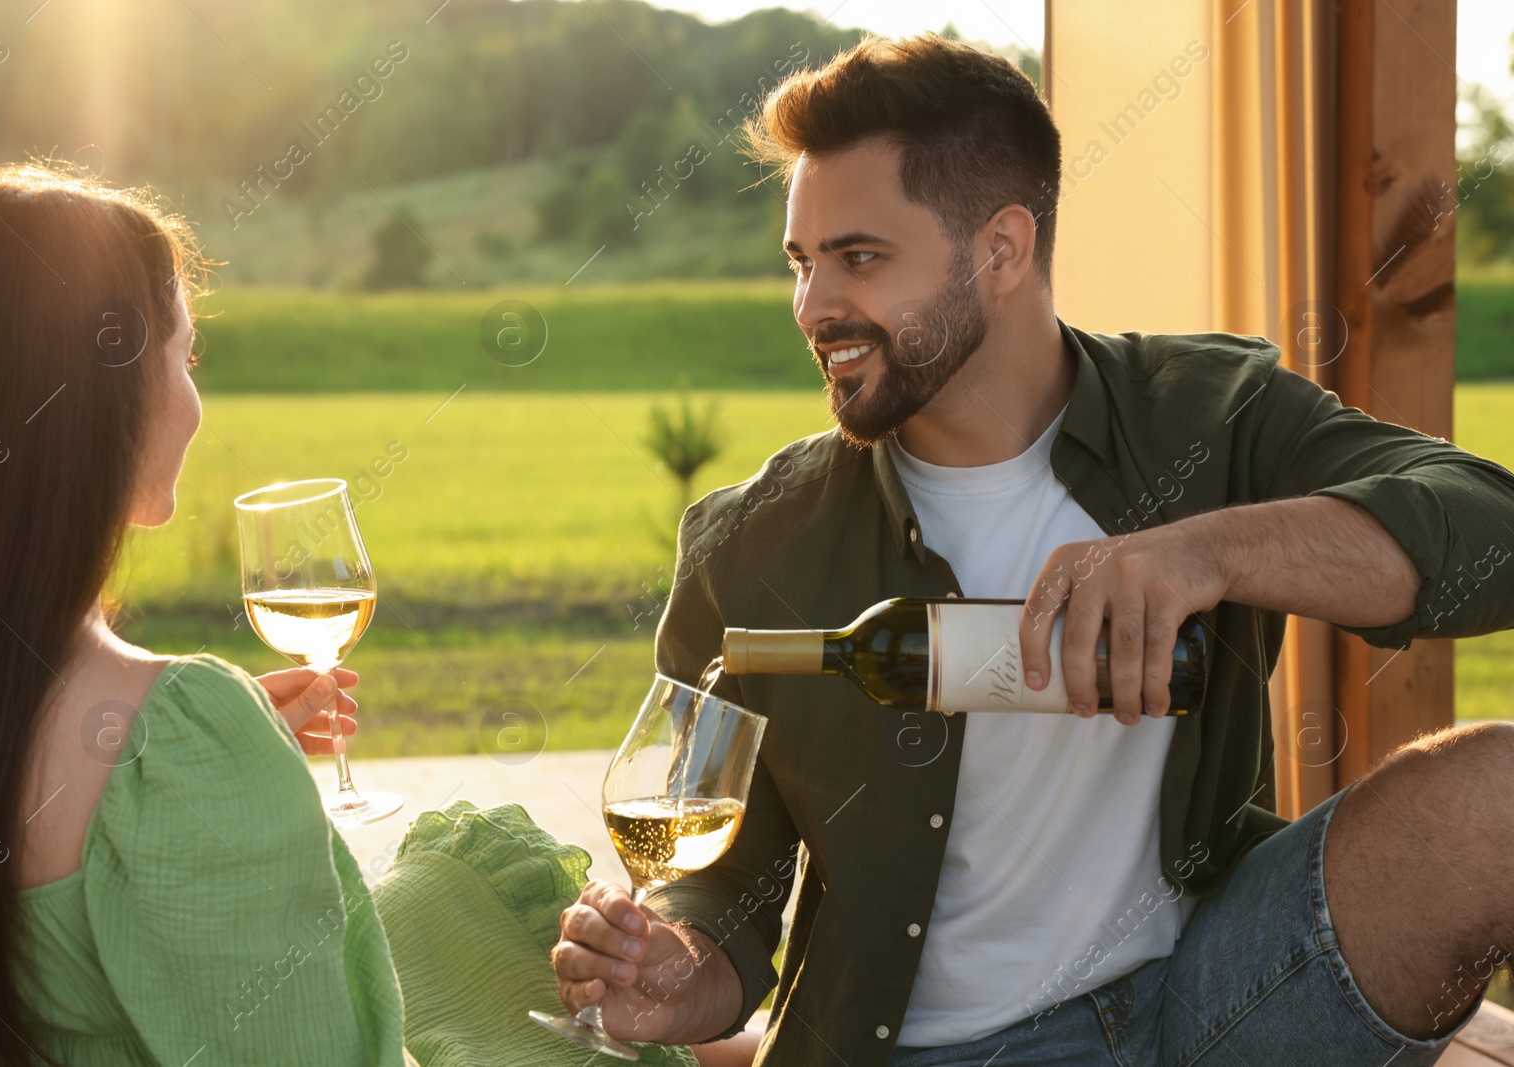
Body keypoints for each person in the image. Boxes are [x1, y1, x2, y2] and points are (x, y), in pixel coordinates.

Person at [550, 31, 1514, 1067]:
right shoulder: (753, 544)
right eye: (802, 261)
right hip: (932, 1047)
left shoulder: (1206, 416)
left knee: (1492, 788)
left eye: (859, 257)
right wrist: (679, 961)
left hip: (1211, 988)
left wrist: (1211, 552)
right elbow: (725, 880)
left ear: (1002, 249)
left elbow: (1485, 525)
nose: (815, 304)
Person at [0, 162, 740, 1067]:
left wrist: (198, 755)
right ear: (103, 398)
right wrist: (201, 753)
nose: (194, 400)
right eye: (184, 357)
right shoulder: (180, 742)